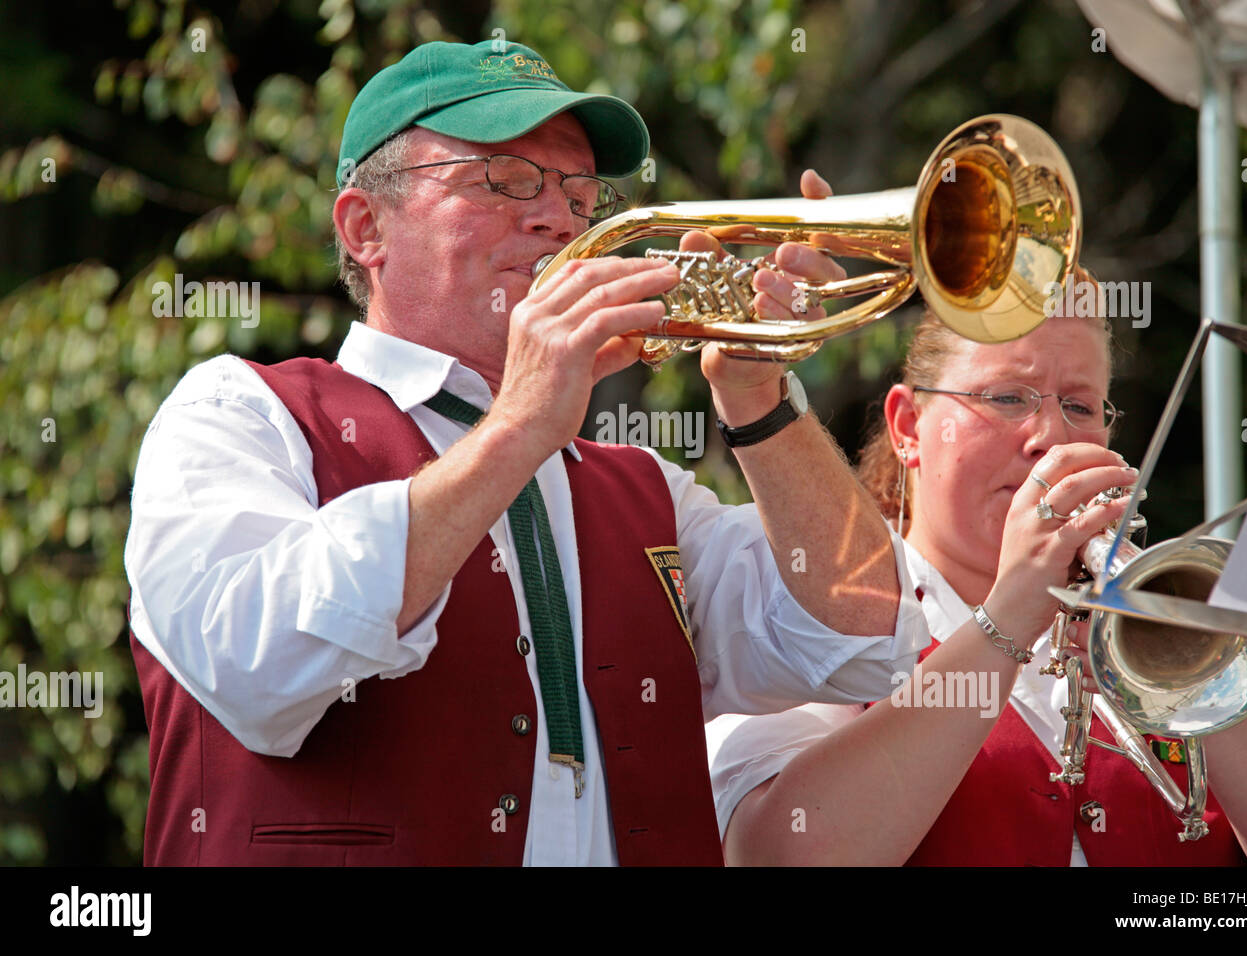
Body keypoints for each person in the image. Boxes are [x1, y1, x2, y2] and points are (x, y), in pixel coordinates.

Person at [123, 39, 930, 866]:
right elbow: (257, 665)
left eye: (580, 194)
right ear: (366, 227)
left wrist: (758, 403)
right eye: (502, 180)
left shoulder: (644, 488)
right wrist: (518, 426)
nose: (559, 219)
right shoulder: (238, 413)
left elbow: (867, 639)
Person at [707, 291, 1247, 865]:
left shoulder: (1161, 608)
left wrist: (1191, 668)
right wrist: (1006, 621)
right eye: (1008, 398)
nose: (1050, 438)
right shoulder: (810, 606)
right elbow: (775, 853)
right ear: (909, 426)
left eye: (1079, 406)